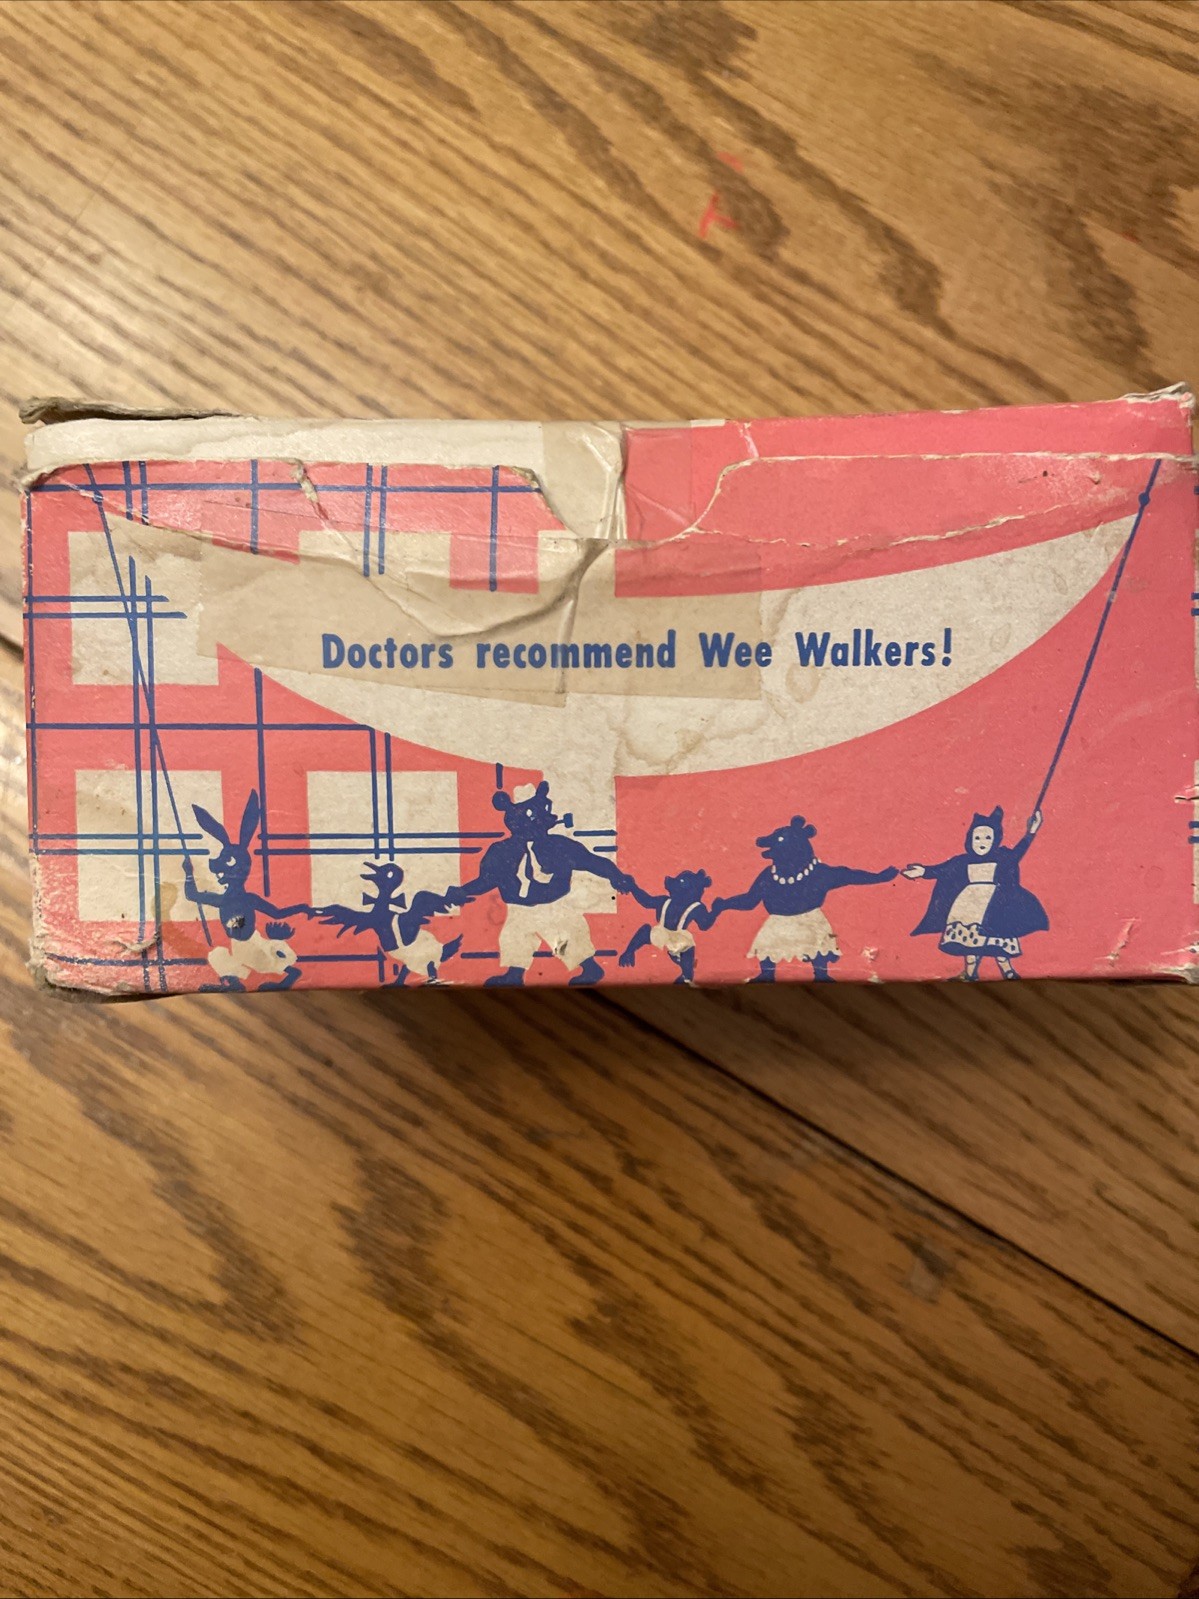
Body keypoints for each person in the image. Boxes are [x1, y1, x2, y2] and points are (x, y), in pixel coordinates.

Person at [903, 806, 1048, 979]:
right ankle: (970, 973)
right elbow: (943, 870)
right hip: (969, 905)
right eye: (977, 837)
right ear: (970, 839)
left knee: (997, 941)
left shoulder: (1002, 857)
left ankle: (1008, 972)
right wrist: (923, 871)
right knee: (970, 943)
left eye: (987, 837)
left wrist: (1031, 831)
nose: (982, 842)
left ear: (995, 839)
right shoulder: (963, 860)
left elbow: (1018, 852)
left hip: (994, 904)